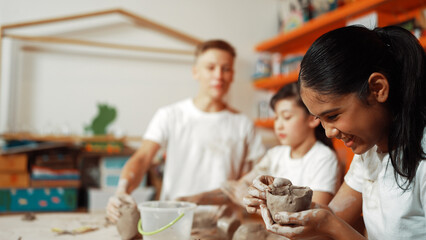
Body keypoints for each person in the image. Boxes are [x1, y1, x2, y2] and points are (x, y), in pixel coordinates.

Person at [245, 25, 426, 239]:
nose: (328, 132)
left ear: (377, 89)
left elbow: (332, 222)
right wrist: (278, 201)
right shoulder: (369, 153)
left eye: (332, 116)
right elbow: (332, 214)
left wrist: (330, 226)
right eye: (319, 119)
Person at [106, 39, 265, 223]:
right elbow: (142, 158)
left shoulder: (243, 124)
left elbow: (260, 171)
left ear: (233, 75)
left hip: (223, 226)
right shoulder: (170, 115)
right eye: (211, 67)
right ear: (195, 72)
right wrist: (122, 190)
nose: (218, 75)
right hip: (172, 221)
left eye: (226, 68)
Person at [179, 82, 341, 208]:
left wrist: (255, 200)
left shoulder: (324, 158)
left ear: (312, 118)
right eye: (276, 117)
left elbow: (316, 214)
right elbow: (239, 187)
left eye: (286, 117)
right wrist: (192, 200)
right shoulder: (275, 155)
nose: (279, 125)